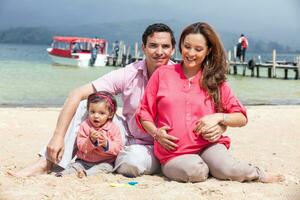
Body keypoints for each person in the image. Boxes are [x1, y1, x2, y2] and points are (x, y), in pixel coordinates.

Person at [12, 23, 225, 178]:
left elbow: (212, 107)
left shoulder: (184, 74)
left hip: (160, 145)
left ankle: (109, 160)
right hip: (128, 134)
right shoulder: (130, 73)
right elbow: (76, 93)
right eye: (152, 45)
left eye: (165, 47)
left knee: (131, 164)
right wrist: (57, 137)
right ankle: (47, 162)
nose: (159, 52)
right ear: (143, 47)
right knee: (87, 109)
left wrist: (220, 124)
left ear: (172, 49)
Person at [136, 22, 284, 183]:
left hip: (209, 146)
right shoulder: (162, 74)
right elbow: (144, 113)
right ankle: (211, 168)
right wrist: (156, 133)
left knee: (229, 169)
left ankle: (256, 173)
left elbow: (241, 117)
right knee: (195, 171)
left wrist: (219, 118)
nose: (191, 53)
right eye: (187, 46)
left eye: (198, 49)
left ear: (208, 51)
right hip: (173, 153)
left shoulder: (214, 80)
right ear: (180, 46)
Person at [56, 91, 122, 177]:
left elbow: (118, 148)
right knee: (74, 166)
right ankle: (64, 174)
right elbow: (80, 146)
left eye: (101, 113)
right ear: (88, 111)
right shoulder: (85, 125)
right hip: (84, 161)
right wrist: (90, 140)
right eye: (92, 112)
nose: (96, 116)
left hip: (105, 162)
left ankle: (86, 173)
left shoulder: (113, 128)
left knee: (106, 168)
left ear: (110, 114)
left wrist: (106, 143)